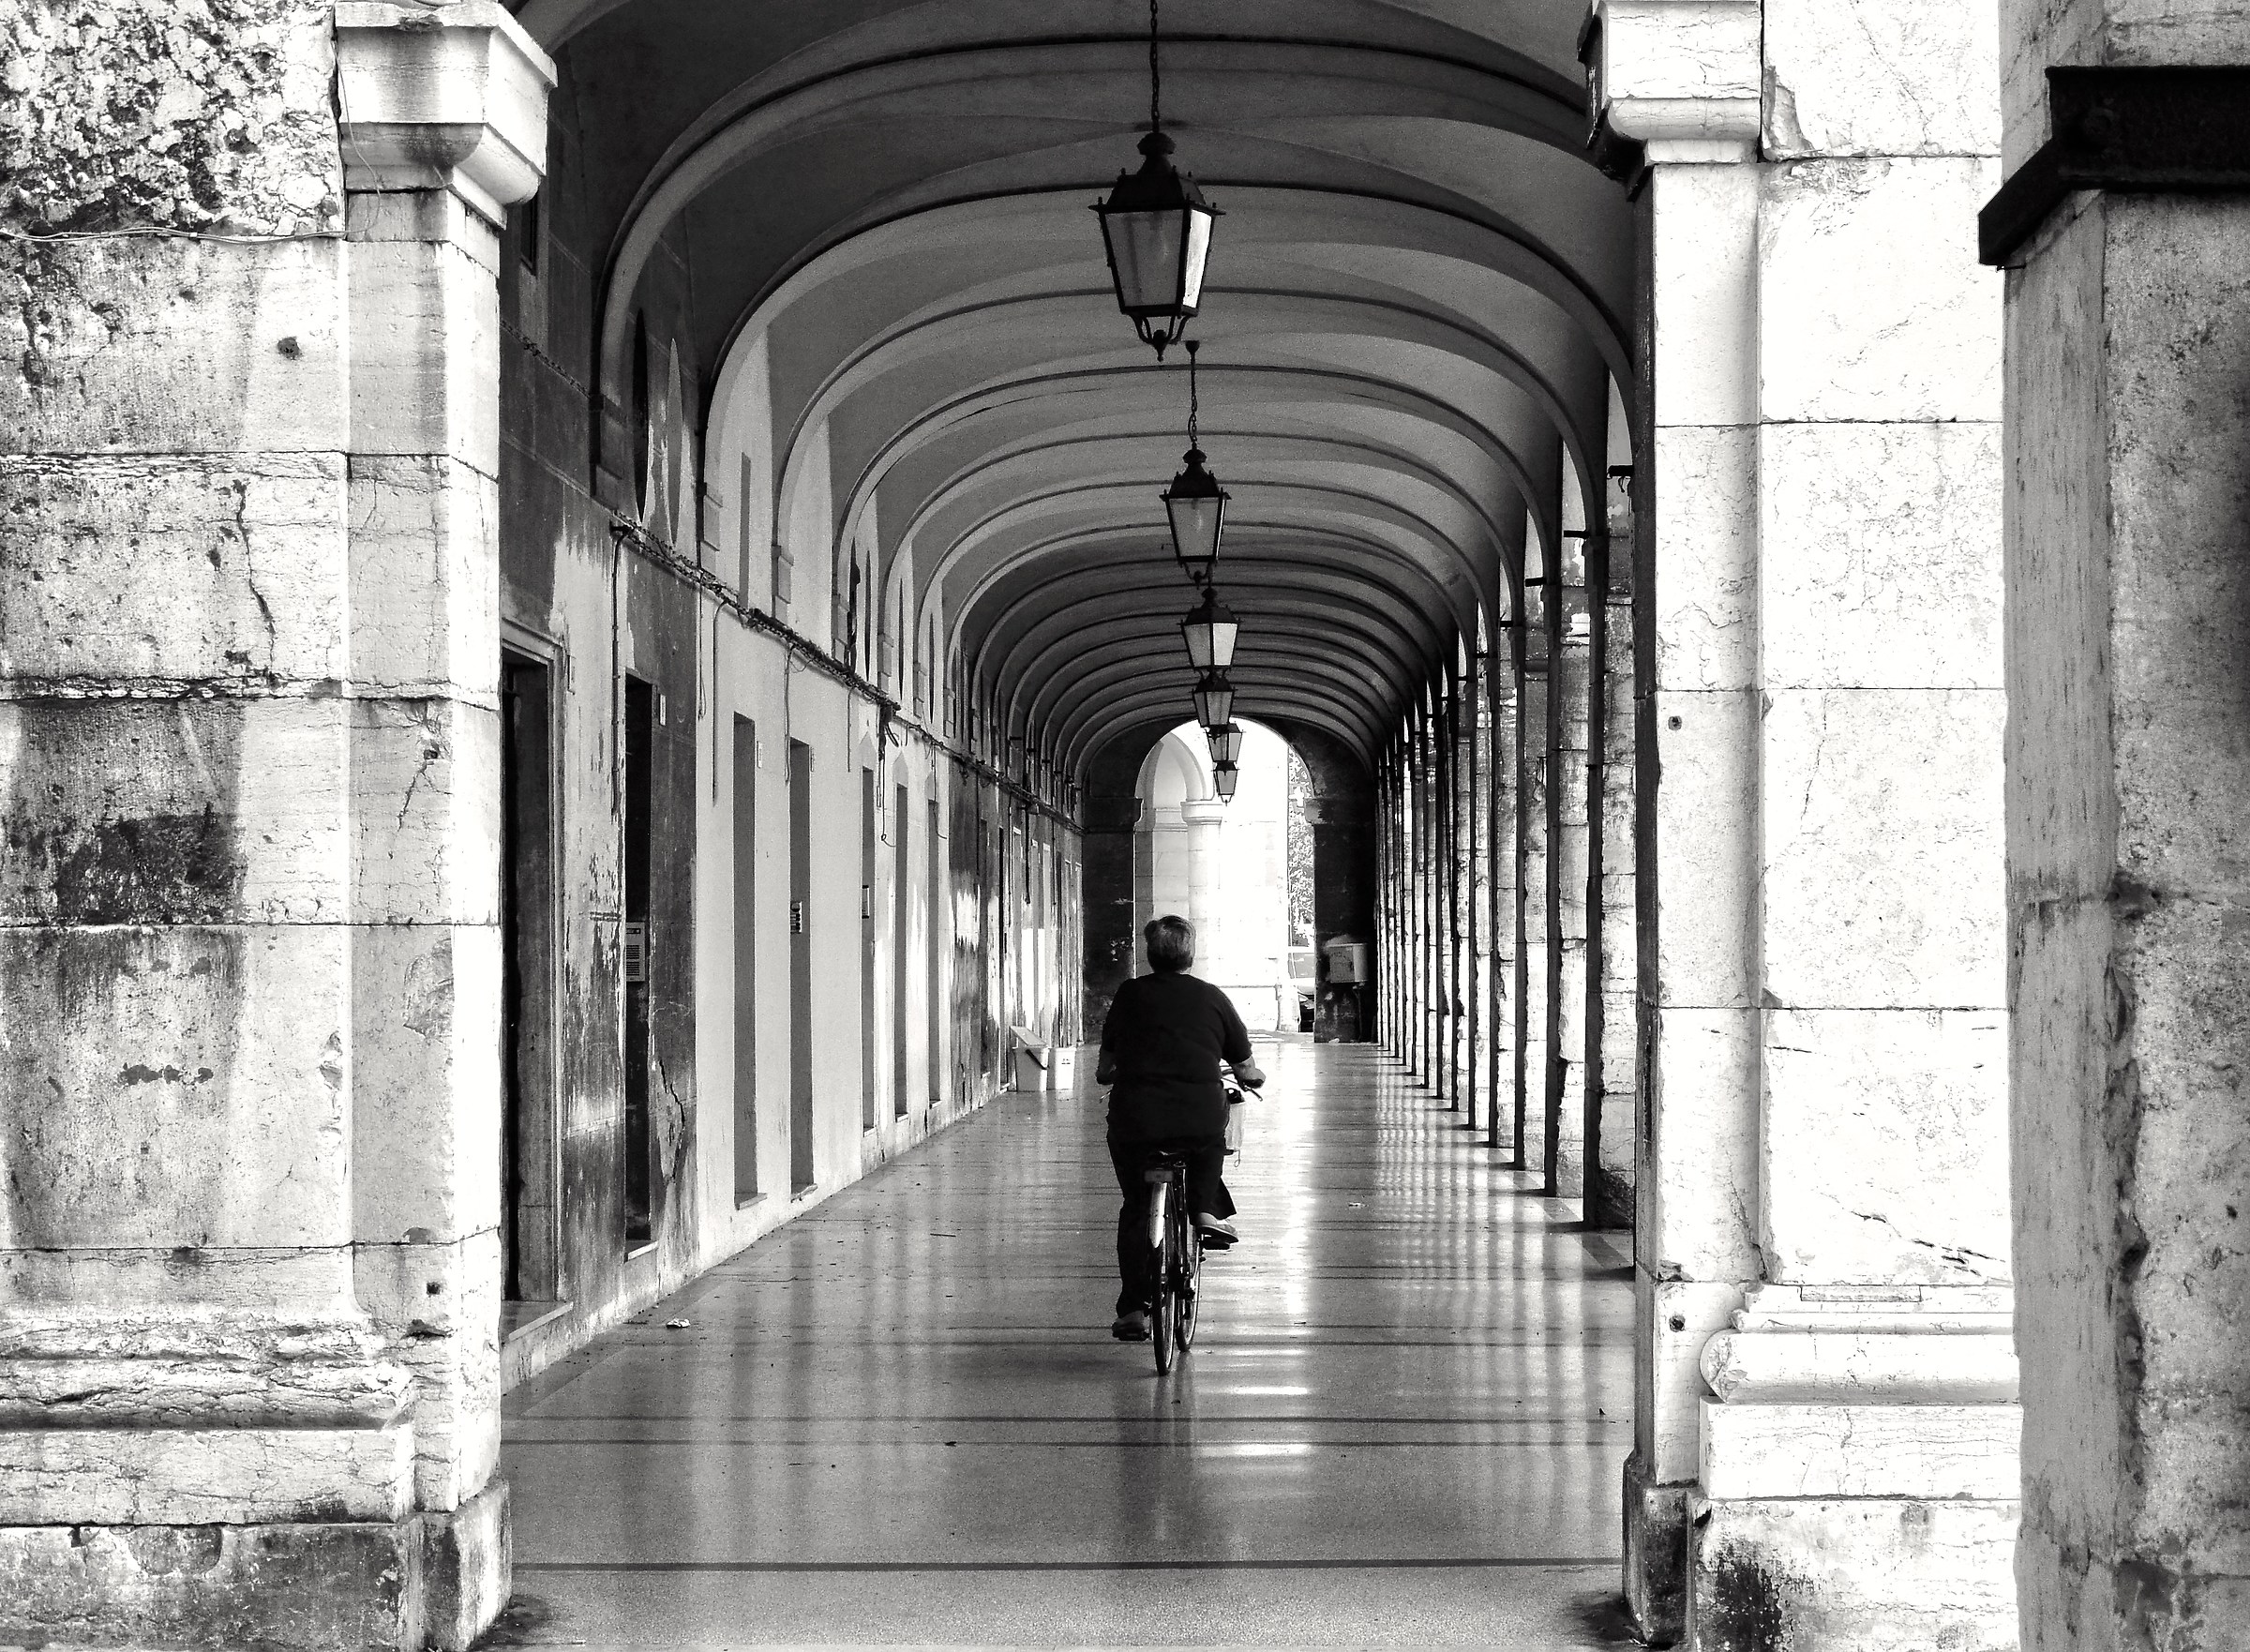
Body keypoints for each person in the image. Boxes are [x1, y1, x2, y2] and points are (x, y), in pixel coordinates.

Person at [1096, 914, 1264, 1341]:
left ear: (1150, 956)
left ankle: (1134, 1308)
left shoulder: (1129, 995)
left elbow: (1104, 1070)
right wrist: (1251, 1077)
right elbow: (1244, 1064)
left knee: (1136, 1206)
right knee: (1209, 1141)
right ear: (1191, 954)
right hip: (1197, 1115)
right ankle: (1204, 1209)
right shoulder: (1212, 998)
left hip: (1136, 1119)